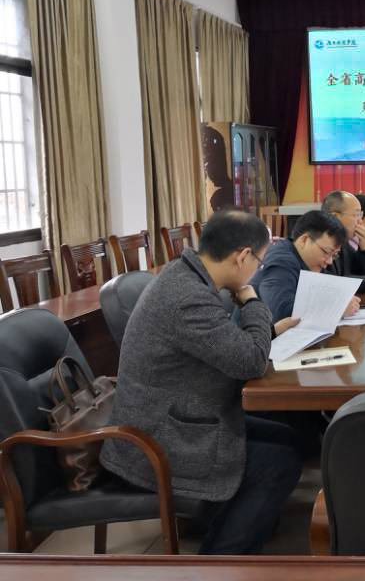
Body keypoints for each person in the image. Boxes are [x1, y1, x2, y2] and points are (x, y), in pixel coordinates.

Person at [100, 210, 304, 554]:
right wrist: (252, 301)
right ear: (242, 256)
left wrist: (264, 330)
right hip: (156, 437)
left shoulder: (186, 275)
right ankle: (218, 562)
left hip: (179, 413)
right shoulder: (187, 296)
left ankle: (238, 518)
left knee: (287, 438)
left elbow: (226, 344)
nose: (257, 270)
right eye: (259, 262)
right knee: (277, 463)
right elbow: (251, 361)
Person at [253, 209, 359, 321]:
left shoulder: (306, 259)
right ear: (304, 240)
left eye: (334, 255)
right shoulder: (281, 262)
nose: (329, 261)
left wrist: (343, 297)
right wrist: (336, 308)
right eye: (327, 252)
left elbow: (329, 285)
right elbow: (282, 313)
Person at [321, 190, 365, 293]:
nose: (360, 221)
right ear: (335, 217)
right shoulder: (319, 243)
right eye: (356, 215)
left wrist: (364, 248)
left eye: (360, 215)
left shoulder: (343, 241)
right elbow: (328, 284)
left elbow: (358, 273)